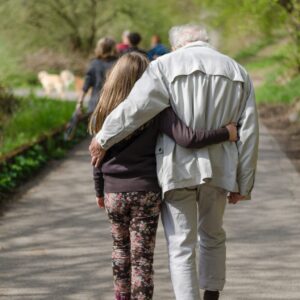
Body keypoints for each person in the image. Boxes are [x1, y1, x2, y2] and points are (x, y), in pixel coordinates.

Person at [89, 24, 259, 300]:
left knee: (182, 244)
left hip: (177, 168)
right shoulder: (237, 71)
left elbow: (135, 108)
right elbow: (249, 130)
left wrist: (103, 138)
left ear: (178, 45)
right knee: (213, 234)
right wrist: (245, 182)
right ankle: (212, 294)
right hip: (220, 167)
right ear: (206, 42)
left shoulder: (164, 66)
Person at [76, 37, 118, 115]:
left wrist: (79, 105)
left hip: (95, 105)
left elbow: (85, 87)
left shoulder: (94, 64)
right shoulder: (119, 63)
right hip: (115, 106)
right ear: (114, 48)